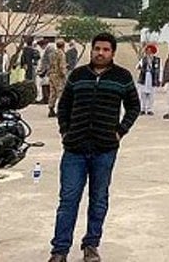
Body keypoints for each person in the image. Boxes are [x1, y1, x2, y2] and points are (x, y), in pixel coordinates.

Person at [48, 32, 140, 262]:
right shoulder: (78, 75)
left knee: (98, 199)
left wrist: (120, 131)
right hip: (74, 149)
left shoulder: (122, 77)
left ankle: (91, 245)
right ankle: (60, 250)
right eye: (97, 48)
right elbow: (64, 105)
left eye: (106, 49)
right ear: (91, 50)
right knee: (68, 199)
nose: (100, 53)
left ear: (113, 52)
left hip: (105, 149)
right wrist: (65, 131)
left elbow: (133, 107)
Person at [136, 43, 162, 115]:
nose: (149, 53)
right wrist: (140, 66)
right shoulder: (143, 59)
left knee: (151, 95)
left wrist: (159, 79)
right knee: (143, 94)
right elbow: (138, 66)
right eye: (148, 51)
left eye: (150, 51)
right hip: (144, 77)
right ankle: (142, 109)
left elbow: (160, 69)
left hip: (152, 78)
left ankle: (150, 109)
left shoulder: (157, 60)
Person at [47, 39, 68, 118]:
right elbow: (62, 65)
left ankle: (51, 109)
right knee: (60, 93)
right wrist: (64, 74)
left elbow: (50, 64)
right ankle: (61, 110)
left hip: (51, 74)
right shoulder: (61, 54)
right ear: (63, 45)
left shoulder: (52, 54)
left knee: (52, 93)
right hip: (58, 75)